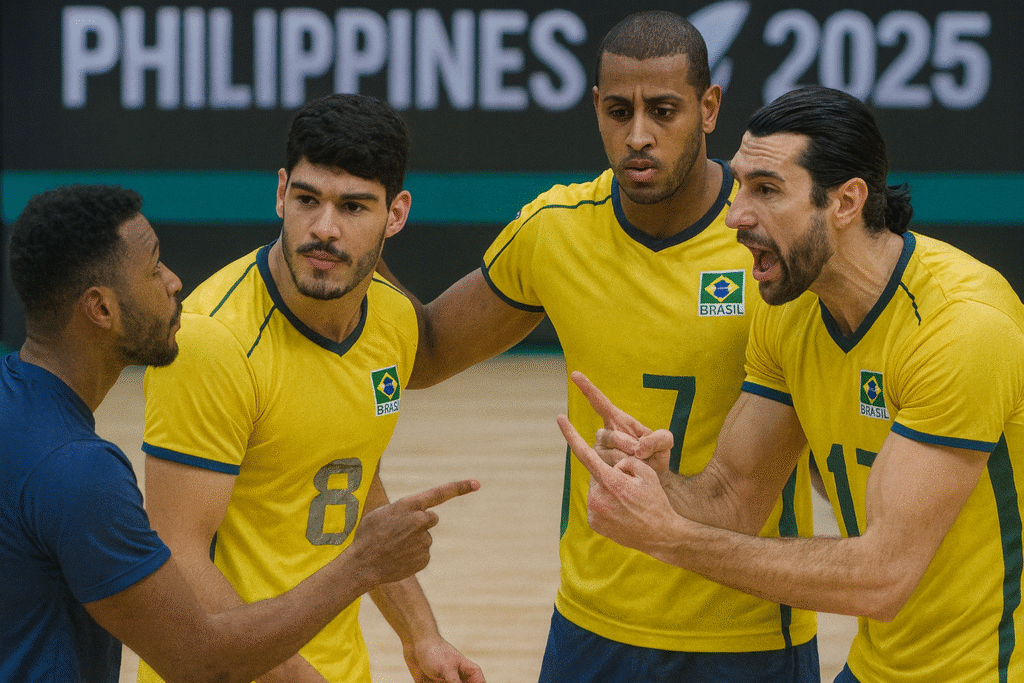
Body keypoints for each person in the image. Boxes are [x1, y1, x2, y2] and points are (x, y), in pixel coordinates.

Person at [379, 10, 819, 682]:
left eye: (663, 110)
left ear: (709, 108)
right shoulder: (555, 231)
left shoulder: (773, 233)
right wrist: (351, 239)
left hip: (749, 632)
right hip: (592, 626)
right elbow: (427, 351)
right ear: (595, 108)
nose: (637, 134)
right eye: (618, 110)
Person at [559, 85, 1024, 683]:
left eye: (767, 191)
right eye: (741, 186)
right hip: (880, 665)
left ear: (847, 201)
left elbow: (882, 577)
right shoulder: (789, 309)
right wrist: (655, 487)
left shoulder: (960, 328)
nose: (735, 216)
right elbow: (734, 497)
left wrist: (671, 539)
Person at [0, 183, 478, 683]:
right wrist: (360, 565)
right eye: (154, 268)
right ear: (101, 310)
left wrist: (419, 631)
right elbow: (202, 660)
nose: (173, 281)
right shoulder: (79, 471)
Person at [135, 94, 485, 683]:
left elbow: (348, 474)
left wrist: (422, 636)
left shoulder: (394, 321)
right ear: (280, 193)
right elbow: (178, 561)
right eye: (307, 200)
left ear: (396, 214)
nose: (324, 229)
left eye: (353, 206)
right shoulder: (210, 342)